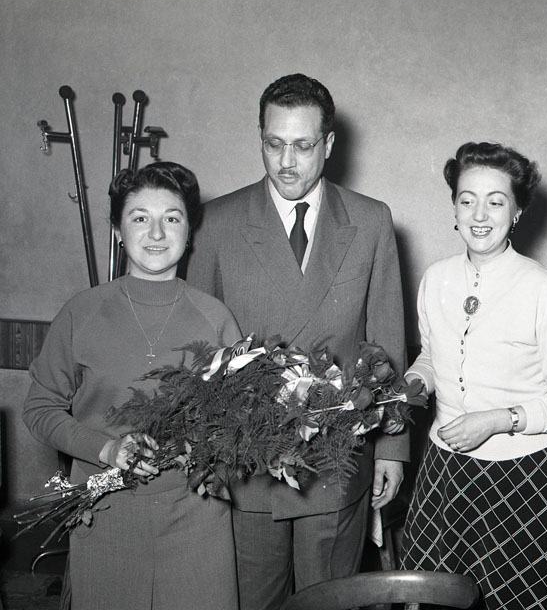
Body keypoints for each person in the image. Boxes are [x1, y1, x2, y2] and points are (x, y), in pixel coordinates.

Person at [187, 73, 409, 610]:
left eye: (303, 146)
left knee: (329, 601)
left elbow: (386, 347)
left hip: (336, 462)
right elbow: (196, 351)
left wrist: (392, 449)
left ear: (328, 144)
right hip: (246, 466)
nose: (287, 162)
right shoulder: (217, 222)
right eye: (274, 143)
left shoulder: (371, 221)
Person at [23, 162, 241, 610]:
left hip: (195, 516)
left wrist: (197, 448)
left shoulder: (216, 318)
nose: (157, 233)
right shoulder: (82, 313)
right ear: (118, 230)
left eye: (172, 218)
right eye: (140, 217)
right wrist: (105, 449)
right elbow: (40, 409)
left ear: (189, 231)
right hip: (105, 515)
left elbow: (237, 422)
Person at [400, 141, 547, 609]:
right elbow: (431, 357)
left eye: (495, 201)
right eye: (467, 199)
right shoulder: (436, 279)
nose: (479, 215)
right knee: (437, 598)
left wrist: (497, 420)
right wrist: (412, 385)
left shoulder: (546, 291)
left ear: (518, 211)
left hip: (520, 479)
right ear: (454, 207)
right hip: (444, 472)